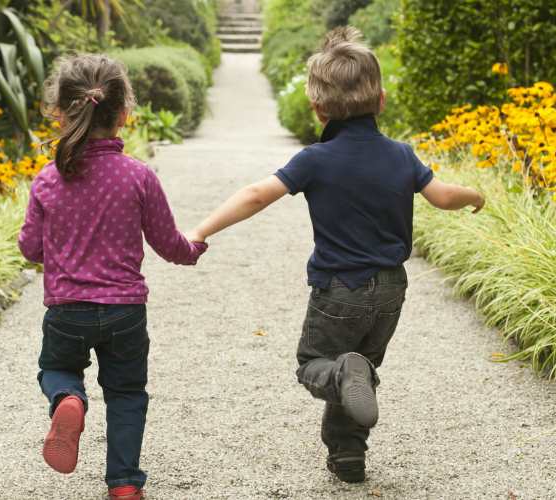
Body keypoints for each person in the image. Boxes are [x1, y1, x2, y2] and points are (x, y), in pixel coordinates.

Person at [186, 26, 485, 483]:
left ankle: (345, 376)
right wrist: (473, 195)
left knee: (318, 366)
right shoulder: (401, 155)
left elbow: (255, 195)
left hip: (338, 290)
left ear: (318, 107)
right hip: (389, 290)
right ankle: (348, 457)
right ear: (381, 101)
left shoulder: (316, 159)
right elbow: (443, 197)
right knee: (360, 370)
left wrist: (202, 229)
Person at [19, 54, 207, 500]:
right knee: (126, 394)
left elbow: (29, 248)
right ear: (124, 114)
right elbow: (168, 244)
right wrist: (194, 248)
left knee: (57, 368)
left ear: (60, 113)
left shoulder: (48, 179)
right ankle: (124, 484)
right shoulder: (138, 176)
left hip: (67, 310)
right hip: (125, 311)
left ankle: (69, 400)